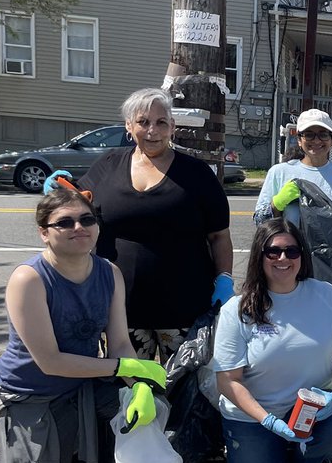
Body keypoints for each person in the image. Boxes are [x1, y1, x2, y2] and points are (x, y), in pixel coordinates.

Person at [0, 186, 168, 463]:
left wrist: (138, 383)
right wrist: (121, 368)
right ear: (44, 233)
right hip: (32, 392)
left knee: (150, 405)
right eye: (65, 223)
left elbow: (119, 344)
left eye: (87, 220)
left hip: (84, 384)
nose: (79, 228)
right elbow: (50, 362)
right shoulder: (29, 279)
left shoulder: (109, 273)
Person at [212, 218, 332, 463]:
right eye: (273, 251)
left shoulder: (327, 296)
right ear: (260, 256)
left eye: (292, 251)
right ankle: (270, 455)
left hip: (308, 410)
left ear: (302, 256)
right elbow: (228, 380)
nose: (283, 258)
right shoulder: (237, 310)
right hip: (255, 416)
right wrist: (266, 420)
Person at [78, 87, 234, 361]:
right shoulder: (108, 165)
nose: (153, 130)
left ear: (172, 126)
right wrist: (61, 191)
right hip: (121, 307)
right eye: (143, 122)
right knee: (129, 382)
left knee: (183, 383)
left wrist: (224, 278)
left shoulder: (196, 174)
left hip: (184, 306)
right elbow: (79, 207)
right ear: (129, 125)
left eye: (161, 122)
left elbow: (219, 235)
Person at [254, 108, 332, 224]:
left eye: (323, 135)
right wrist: (277, 204)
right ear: (299, 140)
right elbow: (259, 221)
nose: (316, 141)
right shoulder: (279, 173)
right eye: (309, 135)